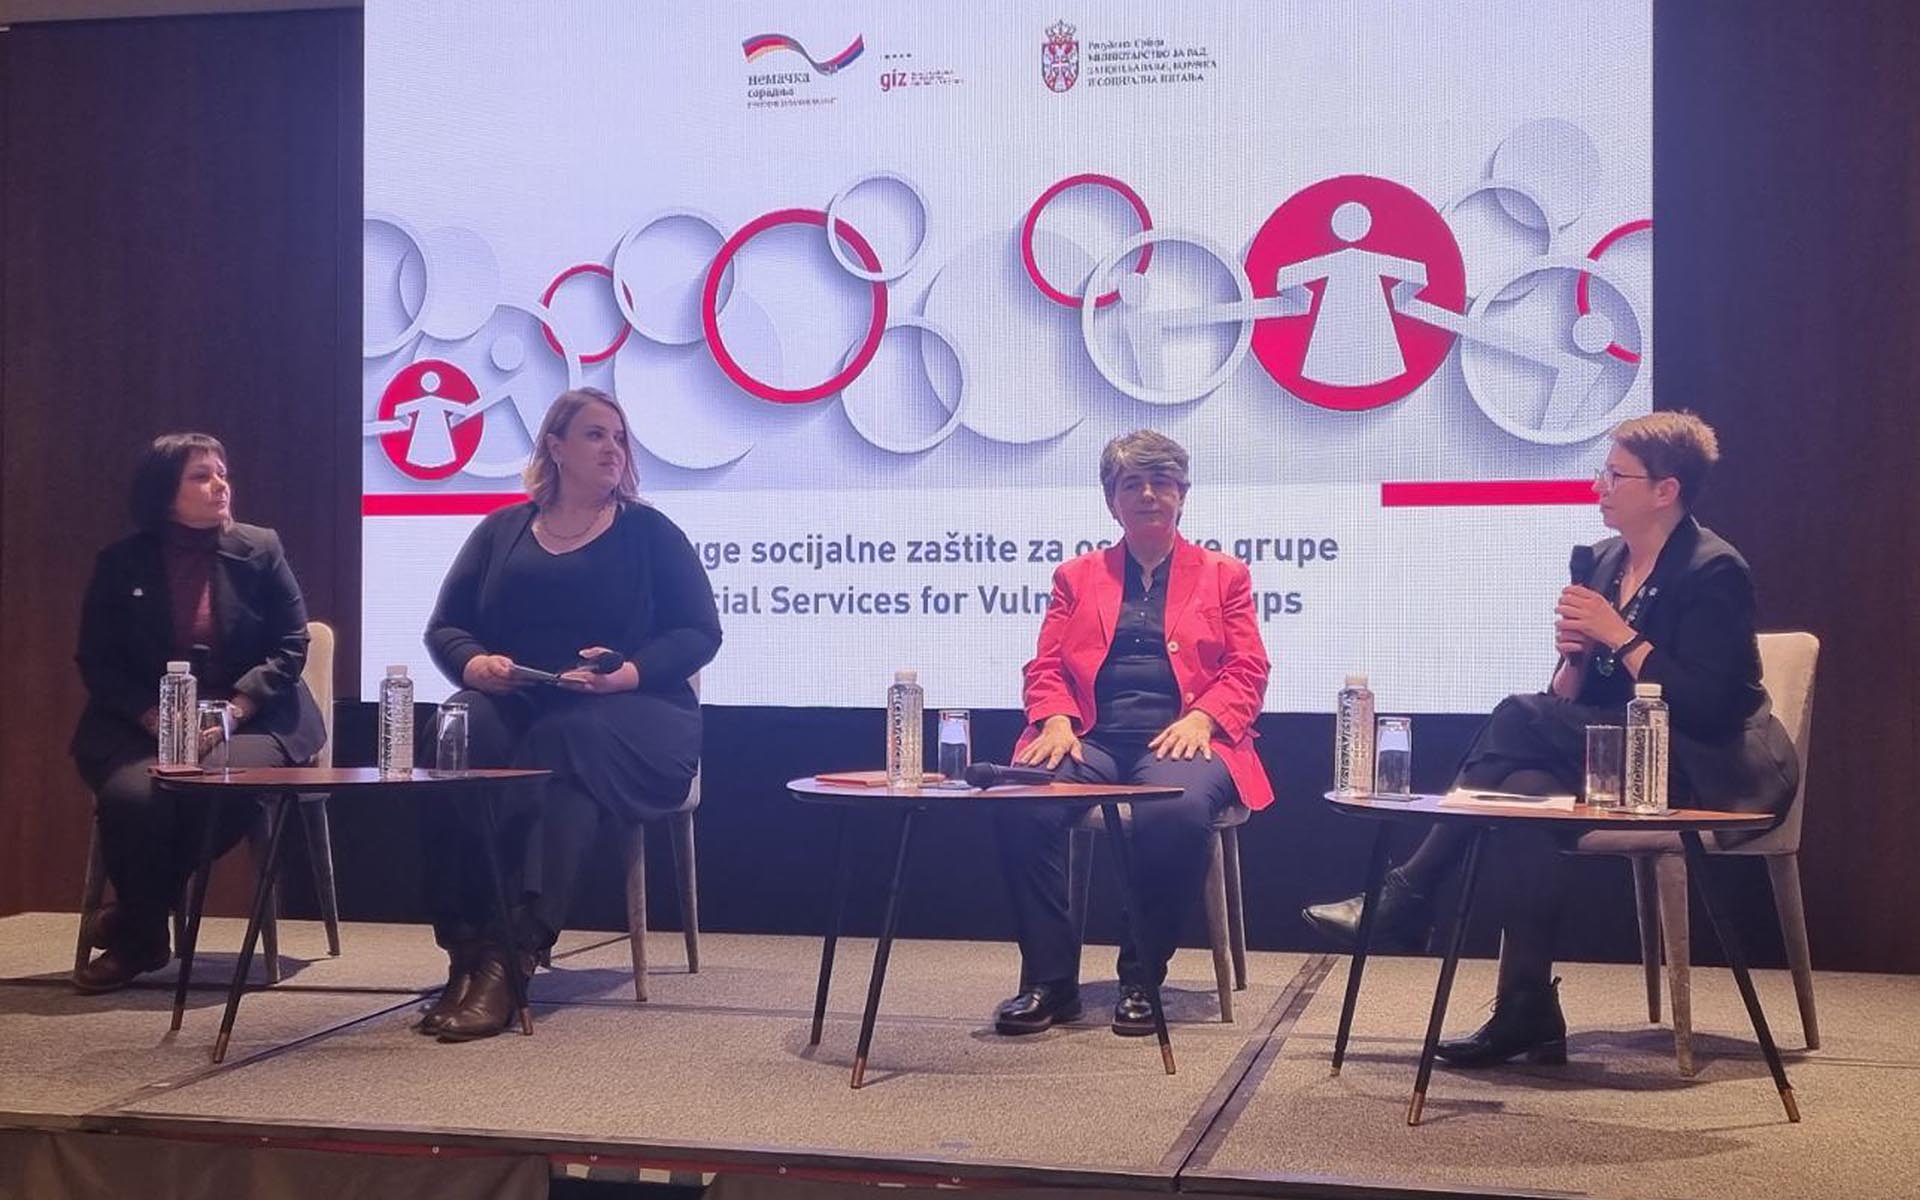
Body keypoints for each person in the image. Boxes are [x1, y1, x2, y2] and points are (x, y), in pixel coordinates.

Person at [1301, 411, 1799, 1066]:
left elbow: (1710, 705)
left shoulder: (1713, 569)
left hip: (1704, 766)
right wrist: (1575, 657)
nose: (1599, 486)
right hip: (1611, 753)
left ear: (1665, 490)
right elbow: (1572, 697)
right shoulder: (1603, 560)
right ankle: (1526, 1006)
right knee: (1522, 790)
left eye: (1615, 475)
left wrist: (1619, 636)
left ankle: (1409, 894)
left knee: (1516, 716)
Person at [417, 387, 720, 1041]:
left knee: (564, 744)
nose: (613, 449)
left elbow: (699, 632)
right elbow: (446, 628)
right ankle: (466, 948)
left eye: (619, 437)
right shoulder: (501, 531)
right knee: (457, 727)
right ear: (555, 447)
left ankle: (510, 955)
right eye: (595, 435)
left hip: (640, 713)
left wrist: (627, 673)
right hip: (527, 702)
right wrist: (476, 665)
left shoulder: (650, 533)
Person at [992, 430, 1272, 1037]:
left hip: (1185, 738)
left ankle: (1142, 977)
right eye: (1132, 484)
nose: (1148, 494)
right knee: (1020, 803)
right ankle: (1050, 982)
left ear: (1182, 495)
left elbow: (1248, 668)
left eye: (1161, 482)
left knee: (1176, 810)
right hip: (1090, 738)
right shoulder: (1076, 576)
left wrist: (1203, 718)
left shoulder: (1224, 575)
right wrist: (1056, 719)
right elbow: (1045, 666)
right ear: (1111, 500)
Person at [70, 433, 325, 992]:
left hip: (255, 715)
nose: (220, 485)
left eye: (222, 473)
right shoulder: (121, 563)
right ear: (165, 493)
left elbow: (290, 646)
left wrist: (234, 709)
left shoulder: (260, 549)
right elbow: (98, 660)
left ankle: (136, 925)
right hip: (144, 721)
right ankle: (145, 928)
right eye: (201, 476)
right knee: (133, 796)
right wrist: (151, 718)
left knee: (218, 786)